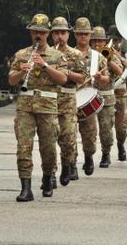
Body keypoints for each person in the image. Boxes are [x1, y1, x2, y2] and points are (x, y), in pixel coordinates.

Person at [9, 13, 67, 201]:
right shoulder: (21, 54)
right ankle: (26, 188)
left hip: (48, 108)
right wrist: (21, 72)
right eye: (35, 32)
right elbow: (11, 80)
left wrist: (44, 66)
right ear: (30, 33)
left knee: (48, 148)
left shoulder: (57, 56)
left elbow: (63, 79)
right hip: (25, 107)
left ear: (48, 34)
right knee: (23, 147)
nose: (38, 36)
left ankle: (48, 177)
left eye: (41, 32)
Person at [51, 16, 86, 185]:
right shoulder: (48, 53)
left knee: (67, 137)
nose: (60, 36)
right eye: (57, 33)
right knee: (49, 137)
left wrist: (66, 72)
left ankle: (67, 165)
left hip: (68, 99)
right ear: (52, 35)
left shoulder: (76, 54)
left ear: (68, 35)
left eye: (63, 33)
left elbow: (82, 78)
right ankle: (50, 174)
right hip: (50, 100)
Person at [74, 18, 109, 176]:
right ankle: (71, 164)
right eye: (80, 34)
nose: (83, 37)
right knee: (67, 135)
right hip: (69, 100)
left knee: (89, 137)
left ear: (90, 35)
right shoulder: (67, 54)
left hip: (88, 99)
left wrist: (101, 78)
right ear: (75, 34)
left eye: (86, 34)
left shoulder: (97, 57)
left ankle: (88, 157)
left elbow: (107, 78)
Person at [90, 26, 123, 168]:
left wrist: (108, 59)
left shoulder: (109, 53)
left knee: (106, 129)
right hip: (89, 96)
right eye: (95, 40)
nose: (97, 43)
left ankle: (106, 153)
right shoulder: (86, 53)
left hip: (106, 98)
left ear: (105, 41)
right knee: (90, 130)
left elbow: (120, 71)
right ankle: (88, 155)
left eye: (100, 41)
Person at [106, 25, 127, 161]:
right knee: (106, 126)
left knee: (121, 127)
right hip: (107, 93)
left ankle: (121, 144)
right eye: (111, 40)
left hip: (120, 95)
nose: (113, 43)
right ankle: (106, 153)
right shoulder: (103, 53)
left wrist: (120, 58)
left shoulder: (126, 56)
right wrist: (107, 57)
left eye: (116, 40)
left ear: (120, 41)